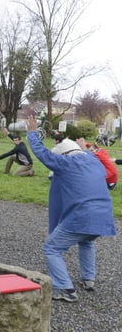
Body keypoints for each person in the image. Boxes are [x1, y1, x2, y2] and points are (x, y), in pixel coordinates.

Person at [26, 116, 116, 303]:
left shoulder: (65, 164)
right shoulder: (93, 162)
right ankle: (88, 279)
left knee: (51, 248)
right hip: (104, 215)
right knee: (87, 241)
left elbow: (42, 154)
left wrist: (32, 133)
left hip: (82, 215)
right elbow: (90, 155)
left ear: (63, 155)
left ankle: (65, 288)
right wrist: (85, 150)